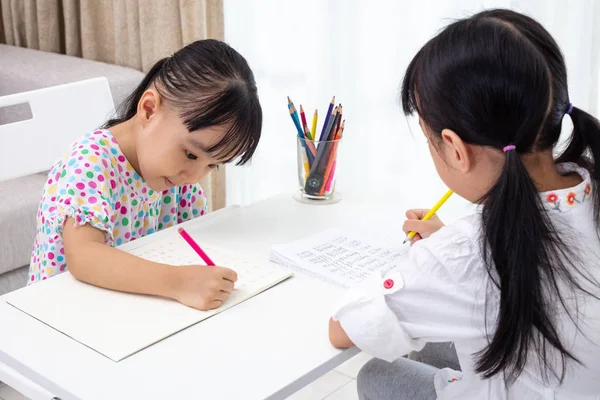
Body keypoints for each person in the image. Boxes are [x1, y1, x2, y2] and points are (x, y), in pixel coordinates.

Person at [328, 9, 600, 399]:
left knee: (377, 374)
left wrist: (433, 259)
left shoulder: (464, 255)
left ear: (456, 149)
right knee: (440, 345)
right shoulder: (589, 187)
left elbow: (344, 329)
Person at [29, 39, 262, 311]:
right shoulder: (90, 161)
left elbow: (191, 241)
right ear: (149, 109)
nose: (195, 176)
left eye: (214, 165)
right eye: (191, 154)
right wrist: (178, 283)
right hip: (61, 316)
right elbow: (83, 257)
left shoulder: (178, 178)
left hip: (131, 310)